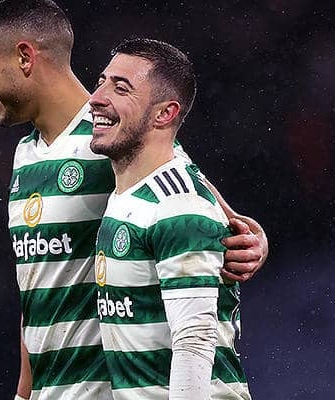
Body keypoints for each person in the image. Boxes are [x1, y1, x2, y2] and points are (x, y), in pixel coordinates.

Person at [0, 1, 267, 399]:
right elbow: (37, 289)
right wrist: (25, 393)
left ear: (25, 56)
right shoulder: (26, 154)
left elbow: (189, 199)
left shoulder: (111, 137)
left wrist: (252, 239)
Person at [89, 37, 252, 400]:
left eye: (120, 88)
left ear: (164, 114)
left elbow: (194, 341)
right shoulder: (131, 193)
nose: (96, 97)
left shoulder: (177, 207)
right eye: (101, 82)